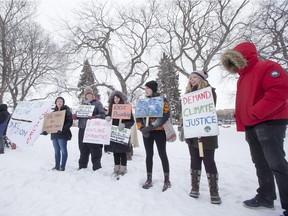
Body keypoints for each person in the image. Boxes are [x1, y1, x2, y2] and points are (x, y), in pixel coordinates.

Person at [221, 42, 288, 216]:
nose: (233, 65)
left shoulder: (268, 67)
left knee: (277, 163)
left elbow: (279, 91)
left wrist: (255, 113)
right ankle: (266, 197)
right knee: (260, 163)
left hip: (270, 122)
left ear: (242, 57)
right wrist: (243, 116)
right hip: (252, 125)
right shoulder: (242, 78)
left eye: (234, 60)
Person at [184, 71, 221, 204]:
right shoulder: (187, 95)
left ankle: (214, 191)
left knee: (209, 160)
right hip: (193, 133)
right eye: (190, 78)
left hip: (207, 133)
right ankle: (195, 187)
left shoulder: (209, 91)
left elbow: (210, 108)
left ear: (201, 79)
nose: (191, 80)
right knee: (194, 159)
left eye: (194, 77)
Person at [136, 80, 171, 192]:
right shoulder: (143, 101)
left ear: (153, 89)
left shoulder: (162, 99)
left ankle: (167, 180)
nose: (145, 90)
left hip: (159, 131)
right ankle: (149, 178)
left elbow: (166, 115)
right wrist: (141, 128)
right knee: (149, 155)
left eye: (147, 88)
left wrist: (152, 126)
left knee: (162, 154)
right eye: (145, 88)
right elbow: (138, 116)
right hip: (147, 132)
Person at [73, 86, 106, 171]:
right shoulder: (82, 104)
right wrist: (76, 116)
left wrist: (95, 117)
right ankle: (82, 165)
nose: (89, 95)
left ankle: (96, 166)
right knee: (83, 148)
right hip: (82, 128)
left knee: (95, 148)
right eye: (87, 94)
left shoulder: (97, 103)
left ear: (92, 94)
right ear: (85, 95)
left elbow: (103, 115)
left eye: (90, 94)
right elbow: (78, 114)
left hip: (93, 130)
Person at [105, 91, 135, 175]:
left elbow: (132, 121)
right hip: (114, 133)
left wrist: (124, 124)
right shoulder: (112, 108)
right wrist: (107, 117)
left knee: (122, 152)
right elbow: (108, 116)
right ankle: (116, 167)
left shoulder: (127, 108)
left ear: (121, 98)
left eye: (117, 98)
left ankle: (123, 168)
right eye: (114, 98)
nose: (116, 99)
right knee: (115, 152)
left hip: (123, 133)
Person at [42, 97, 73, 171]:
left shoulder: (67, 111)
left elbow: (69, 122)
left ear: (63, 102)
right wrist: (46, 130)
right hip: (54, 134)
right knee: (56, 151)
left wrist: (62, 129)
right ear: (55, 103)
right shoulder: (52, 113)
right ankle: (57, 165)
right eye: (58, 101)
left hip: (62, 134)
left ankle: (62, 166)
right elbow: (49, 123)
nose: (59, 102)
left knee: (63, 150)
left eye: (61, 101)